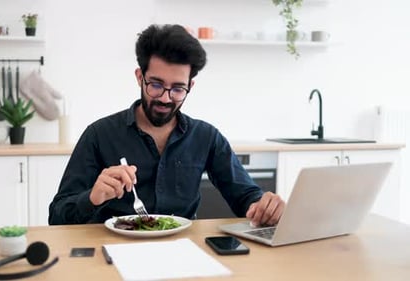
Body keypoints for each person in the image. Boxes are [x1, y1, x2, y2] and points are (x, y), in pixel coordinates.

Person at [49, 24, 285, 226]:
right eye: (156, 85)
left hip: (185, 249)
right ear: (139, 77)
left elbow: (245, 195)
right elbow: (57, 216)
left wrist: (264, 206)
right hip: (112, 251)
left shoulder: (206, 137)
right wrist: (92, 197)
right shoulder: (99, 135)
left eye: (177, 89)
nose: (165, 97)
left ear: (190, 87)